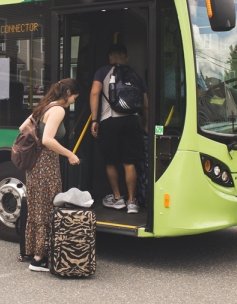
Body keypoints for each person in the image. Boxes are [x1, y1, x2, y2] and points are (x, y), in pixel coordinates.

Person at [23, 78, 81, 272]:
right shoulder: (58, 110)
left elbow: (23, 128)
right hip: (46, 164)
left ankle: (33, 251)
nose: (73, 101)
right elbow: (48, 140)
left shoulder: (44, 106)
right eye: (74, 97)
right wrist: (69, 154)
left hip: (34, 165)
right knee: (47, 205)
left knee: (37, 206)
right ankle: (39, 258)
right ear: (67, 93)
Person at [90, 43, 148, 214]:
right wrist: (145, 123)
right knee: (129, 162)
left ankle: (117, 198)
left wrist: (94, 119)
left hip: (109, 121)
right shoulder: (136, 76)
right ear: (127, 58)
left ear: (110, 57)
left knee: (110, 161)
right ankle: (132, 202)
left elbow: (94, 93)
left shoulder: (102, 72)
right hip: (131, 121)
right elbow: (146, 104)